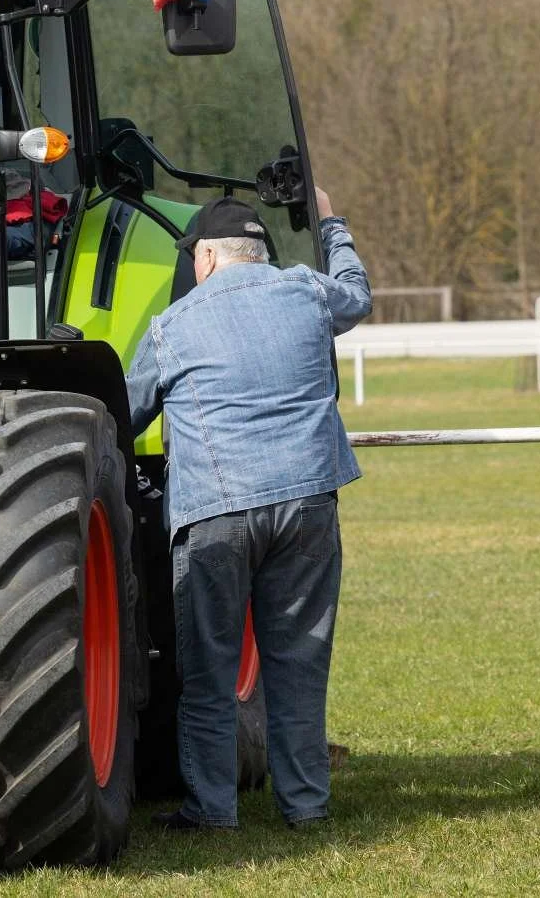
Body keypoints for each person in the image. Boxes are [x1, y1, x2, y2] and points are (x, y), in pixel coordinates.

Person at [125, 189, 372, 831]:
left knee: (208, 673)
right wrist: (330, 220)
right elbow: (358, 292)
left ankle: (212, 811)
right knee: (299, 663)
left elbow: (125, 413)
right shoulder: (306, 291)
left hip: (217, 513)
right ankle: (306, 807)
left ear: (205, 257)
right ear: (258, 251)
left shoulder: (172, 326)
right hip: (307, 504)